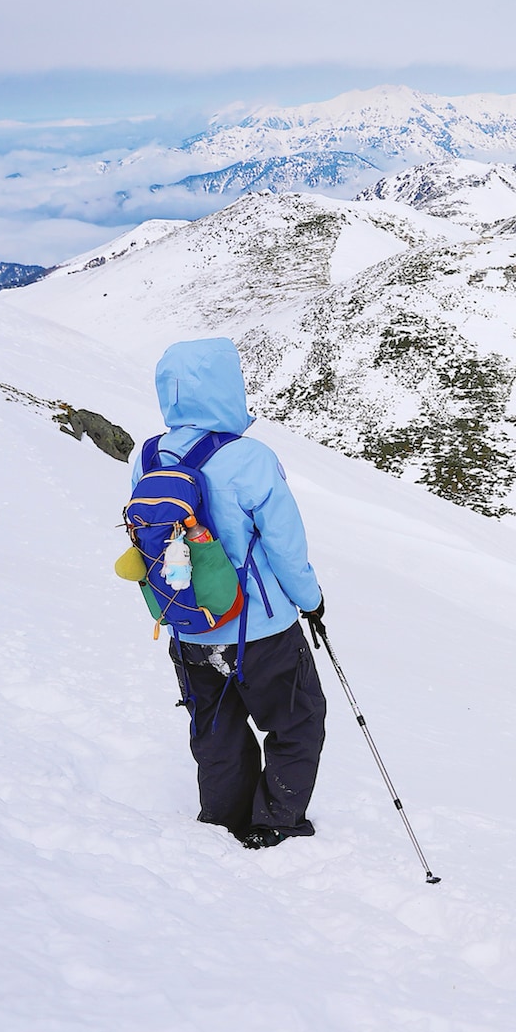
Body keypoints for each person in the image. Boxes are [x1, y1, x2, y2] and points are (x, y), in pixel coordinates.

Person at [132, 337, 327, 850]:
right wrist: (311, 602)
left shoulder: (149, 454)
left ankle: (222, 819)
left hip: (187, 620)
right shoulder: (250, 457)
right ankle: (275, 820)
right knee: (298, 719)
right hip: (259, 629)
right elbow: (286, 546)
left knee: (216, 727)